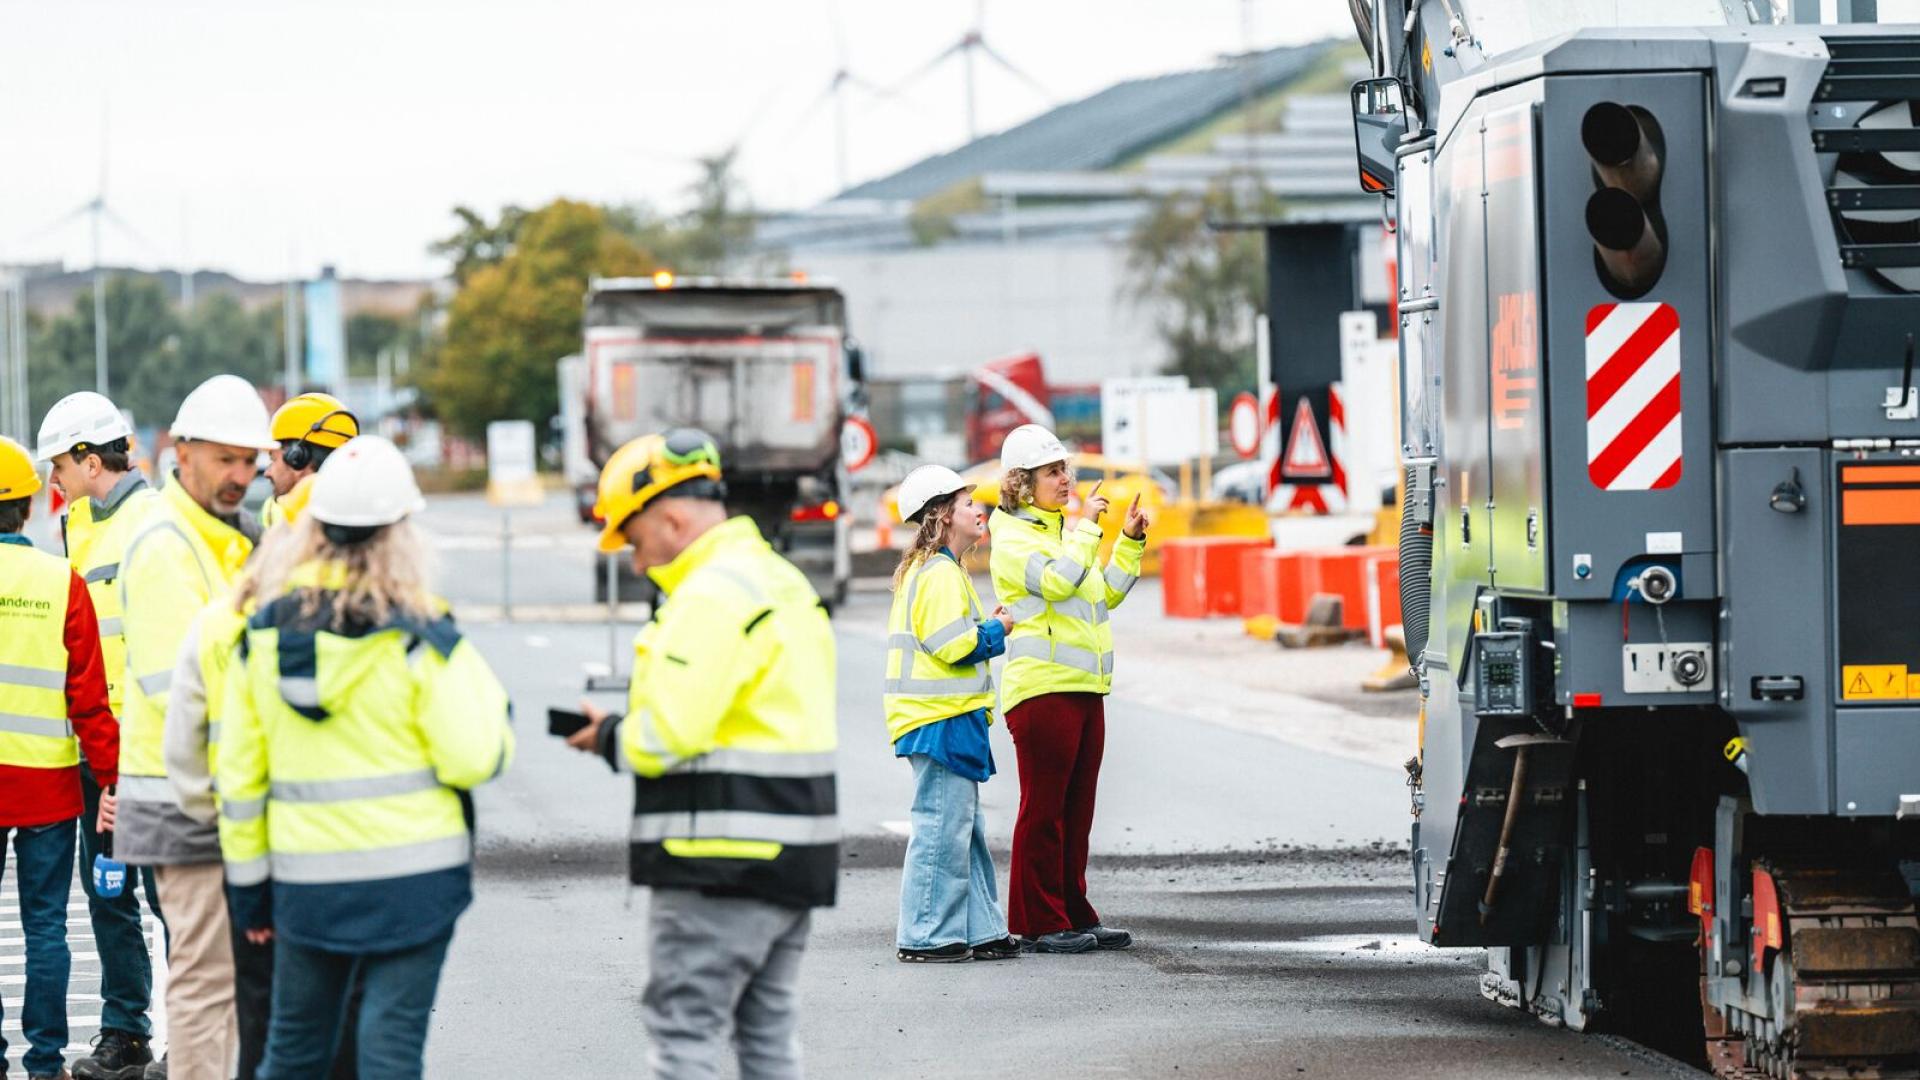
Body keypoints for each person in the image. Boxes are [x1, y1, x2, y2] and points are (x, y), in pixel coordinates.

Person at [217, 435, 512, 1079]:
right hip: (416, 883)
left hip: (304, 886)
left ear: (312, 530)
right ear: (401, 532)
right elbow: (476, 756)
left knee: (292, 1052)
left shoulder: (261, 640)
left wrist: (249, 898)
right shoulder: (424, 637)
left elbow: (238, 784)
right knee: (390, 1049)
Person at [565, 428, 838, 1079]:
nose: (634, 563)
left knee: (685, 1041)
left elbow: (667, 735)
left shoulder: (710, 595)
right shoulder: (781, 579)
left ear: (673, 518)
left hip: (718, 864)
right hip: (796, 855)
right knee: (768, 1039)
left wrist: (606, 735)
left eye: (633, 540)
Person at [118, 374, 277, 1080]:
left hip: (220, 790)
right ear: (180, 452)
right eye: (224, 459)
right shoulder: (166, 544)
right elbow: (172, 687)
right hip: (182, 794)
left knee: (226, 984)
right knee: (206, 981)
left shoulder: (228, 538)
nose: (240, 476)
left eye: (251, 462)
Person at [35, 391, 162, 1080]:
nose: (54, 478)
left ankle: (207, 1036)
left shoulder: (153, 522)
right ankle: (126, 1033)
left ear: (89, 459)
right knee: (109, 890)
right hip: (98, 744)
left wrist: (127, 764)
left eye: (60, 463)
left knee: (172, 895)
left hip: (147, 746)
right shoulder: (79, 525)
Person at [988, 424, 1147, 954]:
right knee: (1045, 809)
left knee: (1077, 811)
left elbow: (1104, 596)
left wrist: (1129, 541)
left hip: (1083, 687)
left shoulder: (1062, 531)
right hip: (1042, 691)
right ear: (1020, 483)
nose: (1065, 479)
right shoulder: (1013, 538)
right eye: (1052, 472)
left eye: (1065, 470)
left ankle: (1073, 911)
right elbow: (1058, 582)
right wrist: (1086, 529)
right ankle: (1038, 921)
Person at [0, 434, 121, 1080]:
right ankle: (44, 1062)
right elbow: (90, 701)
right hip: (49, 790)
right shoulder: (60, 581)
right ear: (29, 507)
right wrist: (112, 779)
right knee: (45, 928)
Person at [884, 465, 1021, 964]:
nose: (978, 509)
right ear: (942, 516)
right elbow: (953, 645)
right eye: (967, 503)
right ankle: (925, 934)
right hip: (938, 718)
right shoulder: (939, 573)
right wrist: (998, 629)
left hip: (947, 716)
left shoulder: (943, 569)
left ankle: (982, 928)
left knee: (963, 828)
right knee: (942, 828)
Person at [262, 393, 358, 530]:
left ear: (297, 458)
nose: (267, 472)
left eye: (272, 459)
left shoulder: (300, 531)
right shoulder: (358, 516)